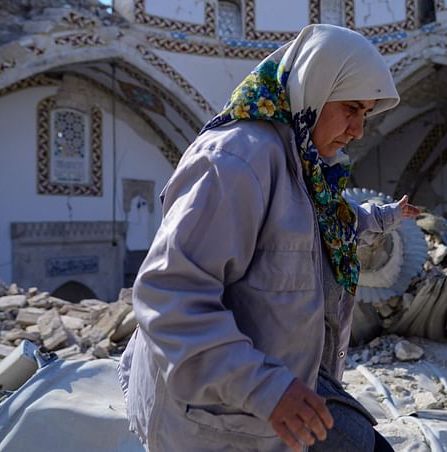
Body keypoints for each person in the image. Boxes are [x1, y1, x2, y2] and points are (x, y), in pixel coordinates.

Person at [118, 24, 420, 451]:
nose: (357, 129)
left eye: (365, 114)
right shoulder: (237, 161)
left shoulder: (305, 166)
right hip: (224, 412)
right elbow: (168, 296)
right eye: (351, 107)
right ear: (314, 88)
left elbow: (332, 223)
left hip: (285, 391)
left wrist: (389, 216)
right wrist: (265, 388)